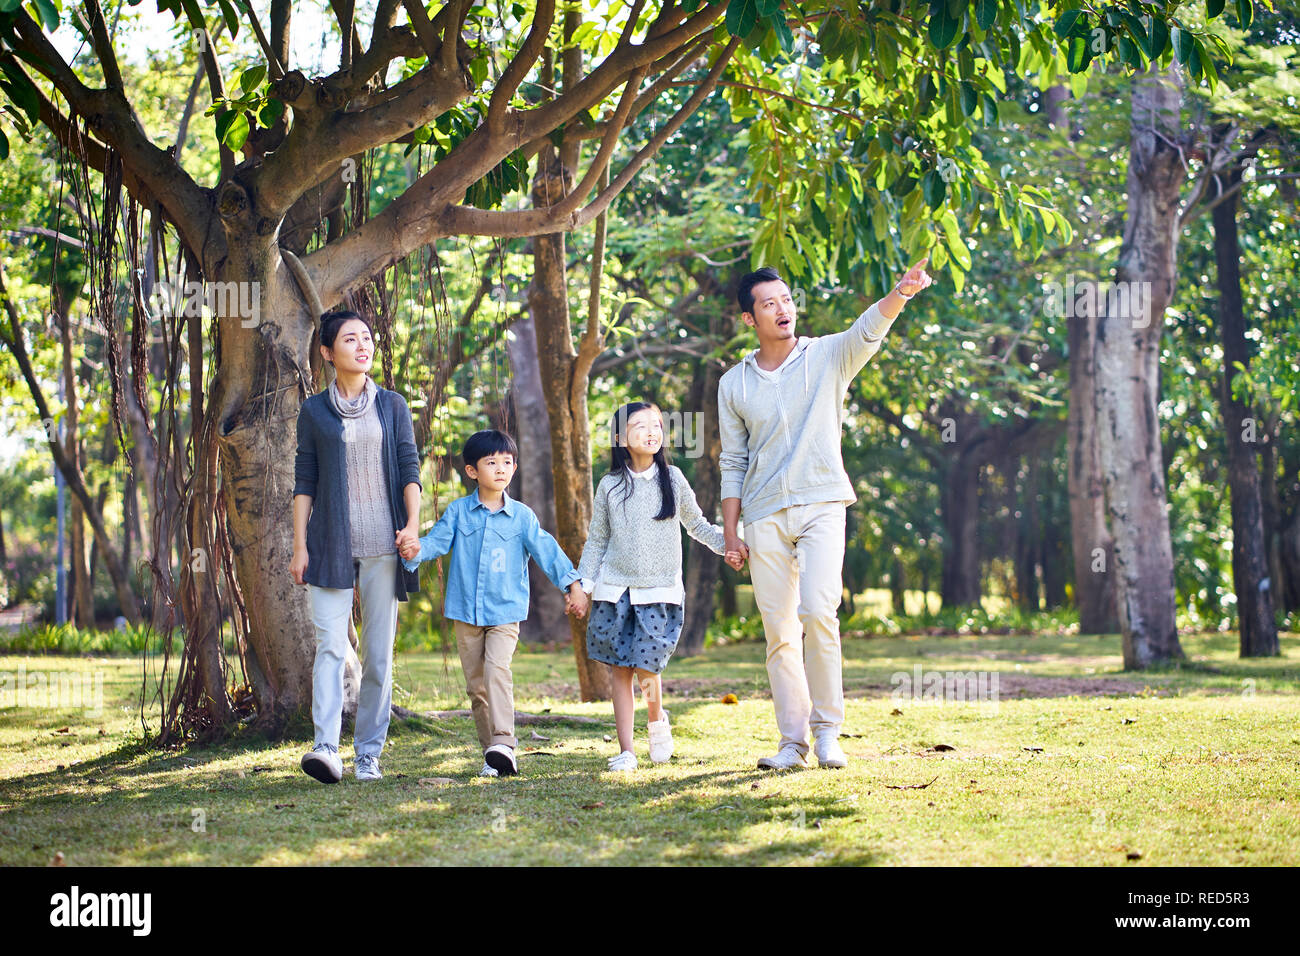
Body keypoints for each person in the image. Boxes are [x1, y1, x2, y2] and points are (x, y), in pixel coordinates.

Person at [719, 261, 932, 770]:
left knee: (818, 611)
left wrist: (900, 292)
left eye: (786, 299)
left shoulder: (827, 355)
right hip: (764, 513)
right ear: (749, 318)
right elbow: (733, 461)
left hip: (822, 503)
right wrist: (732, 531)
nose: (782, 309)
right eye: (768, 303)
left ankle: (828, 731)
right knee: (779, 631)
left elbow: (868, 328)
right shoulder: (734, 384)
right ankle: (791, 743)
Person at [398, 429, 588, 777]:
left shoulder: (522, 518)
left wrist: (573, 585)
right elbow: (436, 543)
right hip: (465, 614)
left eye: (507, 462)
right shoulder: (458, 512)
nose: (501, 468)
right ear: (472, 471)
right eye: (491, 462)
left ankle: (505, 742)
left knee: (496, 670)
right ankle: (493, 757)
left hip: (505, 612)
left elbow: (547, 552)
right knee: (476, 687)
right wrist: (414, 550)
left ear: (514, 467)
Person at [291, 310, 423, 784]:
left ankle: (369, 751)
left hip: (385, 545)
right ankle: (326, 746)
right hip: (328, 544)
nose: (363, 345)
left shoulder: (392, 405)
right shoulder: (314, 411)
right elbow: (304, 480)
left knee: (378, 653)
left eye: (367, 337)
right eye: (350, 339)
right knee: (330, 646)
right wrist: (300, 545)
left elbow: (410, 469)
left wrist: (412, 526)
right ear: (328, 352)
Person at [574, 402, 736, 771]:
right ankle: (626, 750)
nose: (651, 432)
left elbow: (695, 524)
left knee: (648, 668)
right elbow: (597, 541)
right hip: (615, 591)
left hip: (659, 592)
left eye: (657, 425)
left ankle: (656, 720)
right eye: (639, 425)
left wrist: (729, 545)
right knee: (620, 670)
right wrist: (583, 584)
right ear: (620, 437)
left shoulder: (674, 478)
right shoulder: (610, 485)